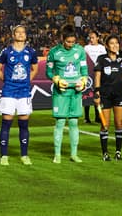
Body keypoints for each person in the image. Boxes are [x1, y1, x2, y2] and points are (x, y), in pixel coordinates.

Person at [0, 24, 39, 165]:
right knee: (6, 123)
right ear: (13, 35)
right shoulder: (6, 51)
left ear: (26, 35)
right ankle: (4, 155)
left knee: (24, 124)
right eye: (17, 32)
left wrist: (27, 80)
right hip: (9, 91)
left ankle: (24, 155)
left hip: (24, 92)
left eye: (23, 32)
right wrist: (6, 80)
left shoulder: (31, 52)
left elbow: (35, 68)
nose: (20, 34)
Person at [46, 25, 89, 163]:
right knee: (59, 123)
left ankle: (73, 154)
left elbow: (84, 70)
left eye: (73, 42)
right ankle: (57, 154)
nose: (71, 44)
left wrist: (83, 81)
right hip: (61, 92)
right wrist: (56, 79)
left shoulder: (80, 50)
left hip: (75, 92)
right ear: (62, 39)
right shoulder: (53, 52)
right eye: (68, 42)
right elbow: (49, 71)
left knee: (74, 122)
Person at [94, 35, 122, 161]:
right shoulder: (102, 59)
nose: (115, 45)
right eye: (112, 43)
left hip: (119, 94)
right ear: (107, 46)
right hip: (105, 95)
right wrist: (97, 93)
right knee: (105, 124)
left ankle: (118, 151)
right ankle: (105, 153)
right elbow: (97, 76)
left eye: (117, 43)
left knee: (119, 124)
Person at [82, 30, 105, 124]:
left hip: (99, 73)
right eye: (90, 38)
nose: (91, 39)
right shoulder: (86, 48)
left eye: (93, 37)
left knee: (97, 94)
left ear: (97, 38)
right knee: (87, 94)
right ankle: (86, 117)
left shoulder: (102, 48)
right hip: (89, 73)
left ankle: (97, 116)